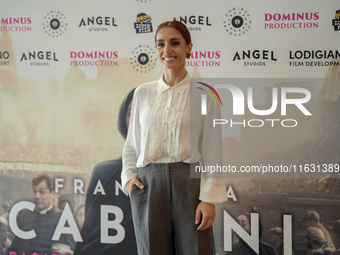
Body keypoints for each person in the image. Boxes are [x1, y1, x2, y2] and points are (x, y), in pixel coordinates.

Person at [122, 20, 226, 255]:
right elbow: (132, 144)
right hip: (148, 185)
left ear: (189, 47)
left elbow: (212, 150)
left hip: (189, 182)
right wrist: (129, 177)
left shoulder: (206, 93)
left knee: (197, 251)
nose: (166, 49)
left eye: (174, 43)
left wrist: (208, 198)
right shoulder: (142, 93)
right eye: (160, 44)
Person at [74, 88, 137, 255]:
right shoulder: (103, 172)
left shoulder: (176, 172)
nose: (139, 120)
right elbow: (90, 235)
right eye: (132, 113)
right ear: (124, 120)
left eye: (145, 112)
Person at [6, 173, 74, 255]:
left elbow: (76, 249)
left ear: (52, 194)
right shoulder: (25, 216)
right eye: (35, 191)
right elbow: (15, 247)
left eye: (42, 192)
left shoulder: (63, 218)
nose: (37, 196)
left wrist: (70, 252)